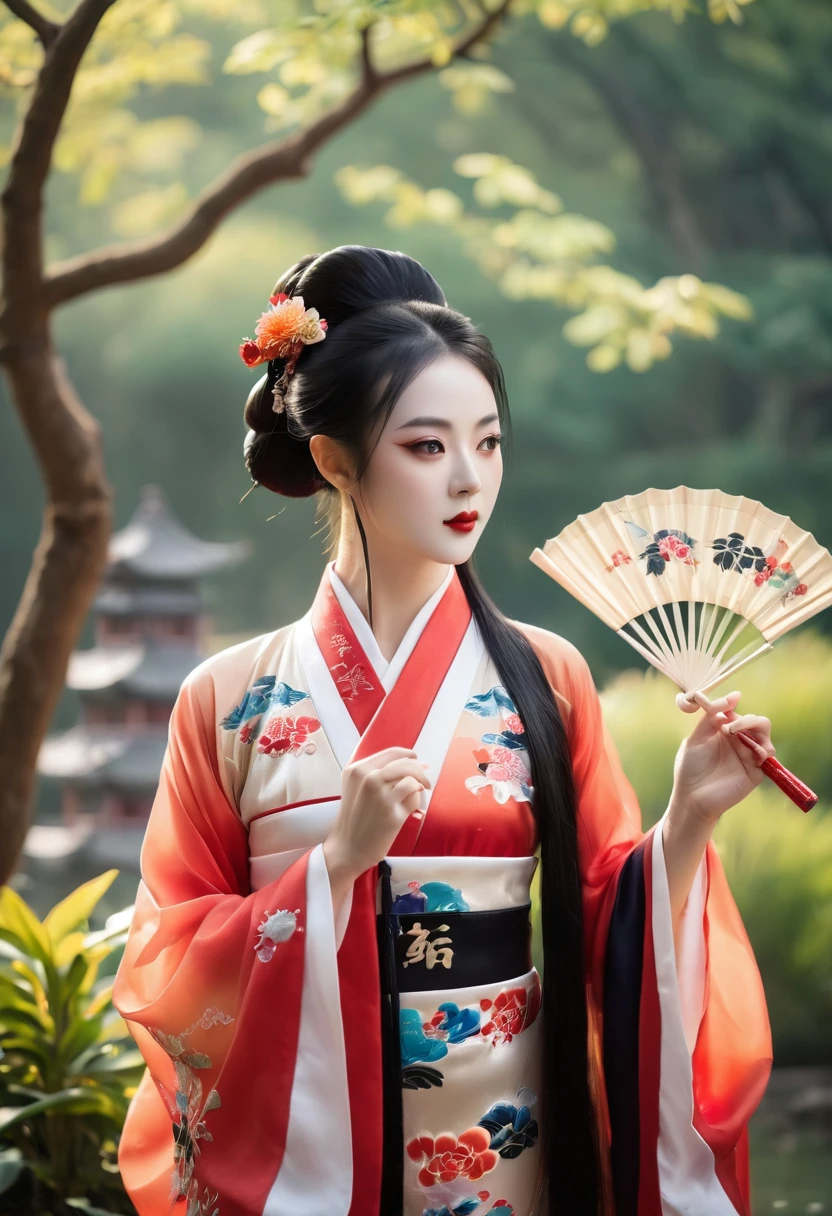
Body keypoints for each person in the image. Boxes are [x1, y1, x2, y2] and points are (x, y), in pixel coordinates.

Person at [112, 245, 773, 1216]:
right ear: (335, 458)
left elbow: (606, 917)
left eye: (489, 442)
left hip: (507, 1137)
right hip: (312, 1137)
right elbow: (170, 963)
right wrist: (332, 867)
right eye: (427, 446)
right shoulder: (226, 699)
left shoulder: (545, 675)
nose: (469, 478)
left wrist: (684, 824)